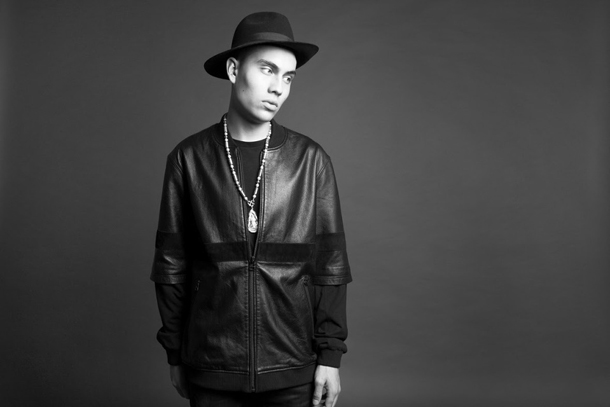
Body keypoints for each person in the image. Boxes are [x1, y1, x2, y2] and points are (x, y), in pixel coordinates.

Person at [151, 12, 352, 407]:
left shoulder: (310, 161)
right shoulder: (188, 159)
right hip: (211, 366)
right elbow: (170, 265)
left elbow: (330, 265)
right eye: (267, 69)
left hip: (292, 366)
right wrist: (175, 353)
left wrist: (330, 357)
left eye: (288, 77)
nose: (278, 88)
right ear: (233, 70)